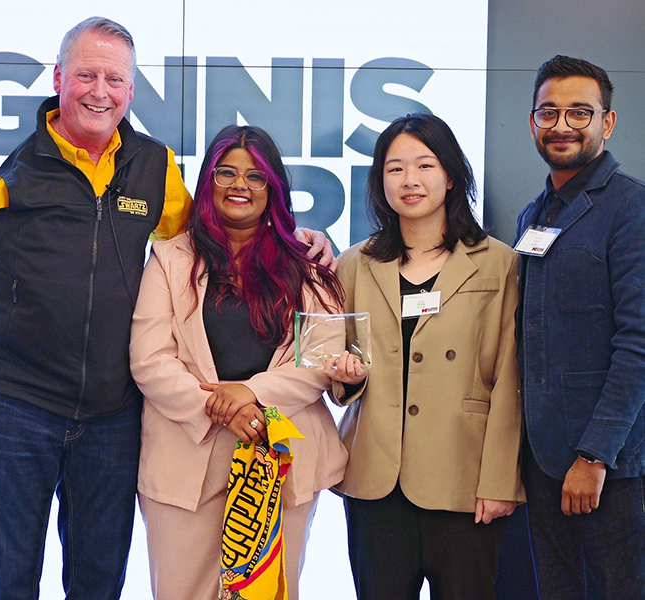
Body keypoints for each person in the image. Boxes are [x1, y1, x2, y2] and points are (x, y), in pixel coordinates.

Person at [0, 17, 334, 600]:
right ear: (58, 78)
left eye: (114, 78)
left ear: (131, 90)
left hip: (111, 413)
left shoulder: (154, 165)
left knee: (98, 578)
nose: (99, 91)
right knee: (9, 574)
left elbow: (211, 231)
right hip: (20, 402)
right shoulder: (19, 171)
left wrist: (299, 238)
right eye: (85, 74)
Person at [129, 125, 349, 600]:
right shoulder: (169, 258)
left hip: (279, 456)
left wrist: (252, 395)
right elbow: (150, 359)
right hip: (184, 457)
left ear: (274, 188)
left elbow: (321, 356)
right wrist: (219, 406)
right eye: (226, 172)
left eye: (256, 177)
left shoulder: (307, 263)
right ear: (208, 180)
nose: (239, 186)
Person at [325, 113, 524, 600]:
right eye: (394, 169)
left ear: (451, 175)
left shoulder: (500, 263)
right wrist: (344, 378)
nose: (409, 180)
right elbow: (337, 365)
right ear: (380, 182)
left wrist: (500, 479)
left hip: (465, 477)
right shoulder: (353, 263)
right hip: (375, 479)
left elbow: (511, 377)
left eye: (425, 165)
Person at [515, 55, 645, 600]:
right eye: (549, 112)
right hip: (544, 461)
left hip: (607, 469)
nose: (562, 125)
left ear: (607, 123)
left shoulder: (631, 208)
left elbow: (638, 344)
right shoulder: (533, 214)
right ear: (532, 122)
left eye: (579, 113)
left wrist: (594, 456)